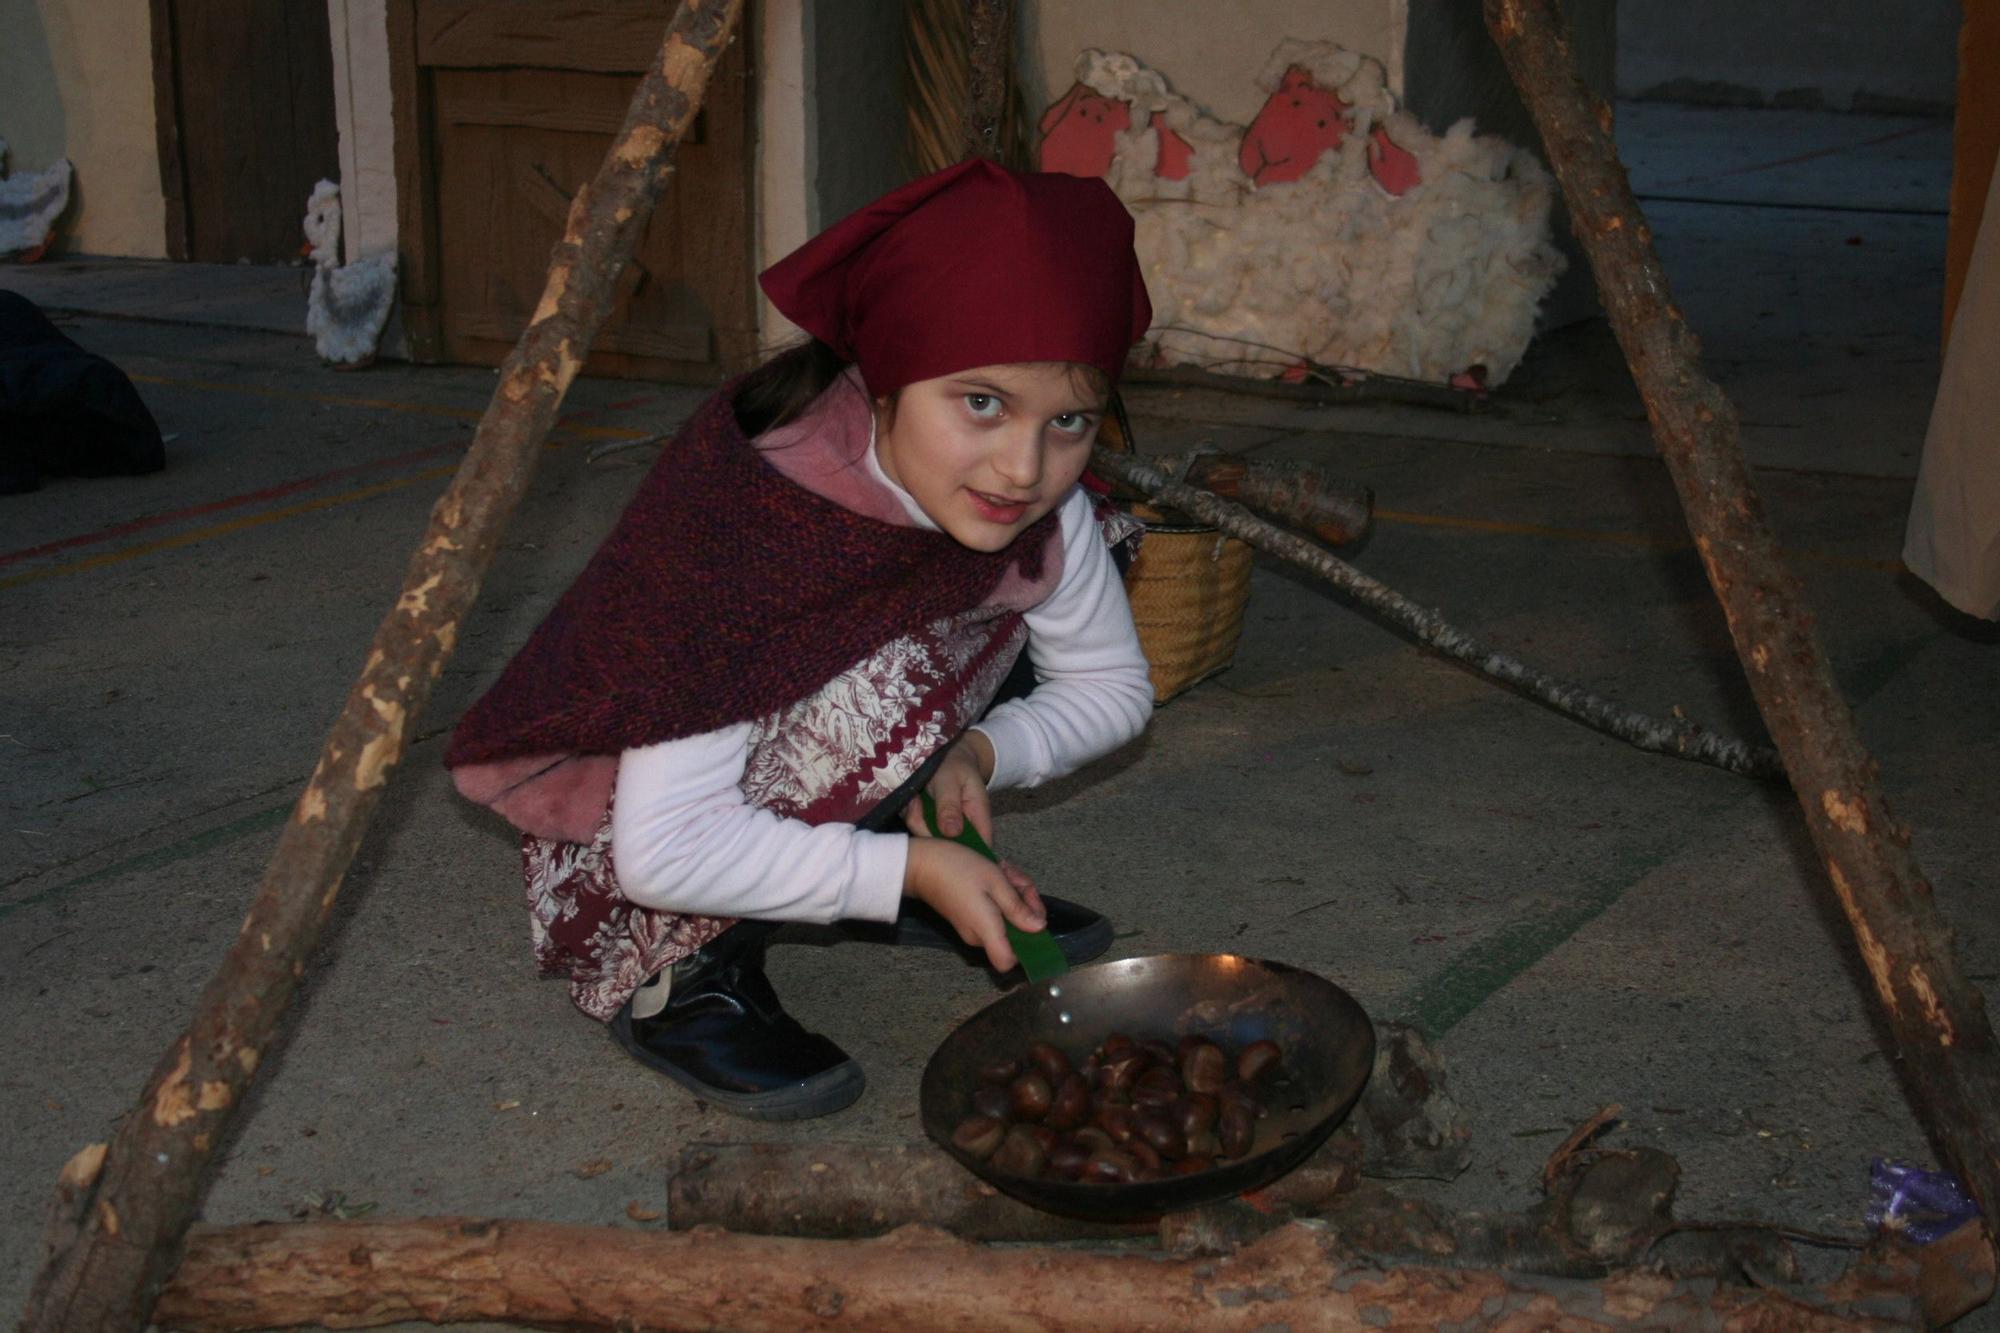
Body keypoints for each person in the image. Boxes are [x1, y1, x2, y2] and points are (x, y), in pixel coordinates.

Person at [444, 159, 1156, 1121]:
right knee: (893, 669)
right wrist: (905, 868)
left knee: (1033, 579)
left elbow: (1112, 684)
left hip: (815, 743)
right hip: (641, 843)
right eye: (981, 402)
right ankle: (675, 974)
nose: (1024, 466)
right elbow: (665, 850)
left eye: (1067, 420)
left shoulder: (1026, 497)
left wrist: (983, 753)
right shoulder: (756, 530)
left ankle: (890, 859)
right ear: (888, 376)